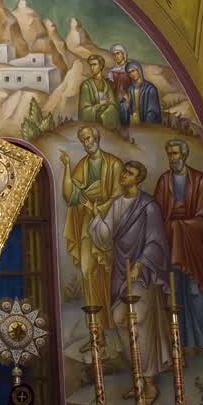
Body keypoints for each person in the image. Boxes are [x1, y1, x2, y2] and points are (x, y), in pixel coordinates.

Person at [91, 160, 171, 405]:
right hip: (119, 272)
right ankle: (137, 378)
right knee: (119, 320)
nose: (124, 175)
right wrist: (97, 217)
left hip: (142, 274)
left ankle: (150, 384)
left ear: (138, 179)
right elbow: (105, 238)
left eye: (130, 173)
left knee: (140, 323)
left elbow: (156, 241)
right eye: (124, 171)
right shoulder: (117, 204)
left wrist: (140, 264)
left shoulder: (148, 206)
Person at [153, 140, 203, 381]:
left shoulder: (201, 181)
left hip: (195, 253)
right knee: (176, 297)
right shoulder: (164, 182)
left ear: (184, 154)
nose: (172, 157)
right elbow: (156, 216)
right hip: (171, 250)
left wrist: (180, 227)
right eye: (169, 153)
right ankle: (181, 347)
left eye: (175, 153)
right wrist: (170, 228)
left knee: (199, 297)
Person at [60, 126, 123, 317]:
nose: (86, 143)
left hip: (110, 225)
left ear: (97, 138)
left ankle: (112, 324)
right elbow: (71, 195)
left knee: (110, 273)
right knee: (87, 272)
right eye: (83, 140)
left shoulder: (114, 164)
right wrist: (67, 167)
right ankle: (96, 333)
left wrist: (99, 208)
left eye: (88, 138)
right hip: (88, 224)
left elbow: (119, 196)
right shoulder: (82, 165)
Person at [79, 54, 121, 131]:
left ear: (101, 66)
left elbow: (113, 104)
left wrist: (105, 115)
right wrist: (100, 105)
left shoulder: (107, 85)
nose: (92, 68)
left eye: (94, 64)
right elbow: (84, 111)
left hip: (106, 117)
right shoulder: (86, 85)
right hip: (93, 123)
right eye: (90, 65)